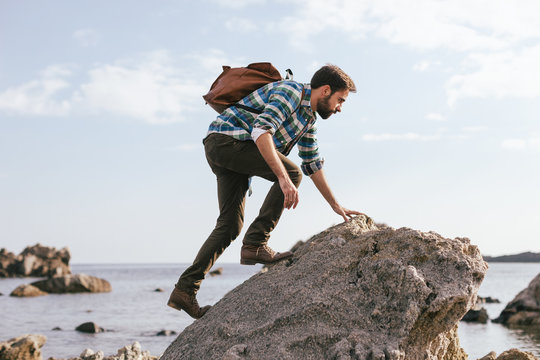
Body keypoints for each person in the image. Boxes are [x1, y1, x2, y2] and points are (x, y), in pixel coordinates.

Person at [168, 64, 363, 319]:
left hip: (226, 147)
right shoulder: (291, 93)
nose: (340, 108)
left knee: (229, 226)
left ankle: (184, 291)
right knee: (291, 174)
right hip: (225, 141)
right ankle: (257, 243)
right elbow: (261, 131)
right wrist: (283, 178)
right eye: (340, 100)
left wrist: (336, 206)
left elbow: (312, 163)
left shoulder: (309, 119)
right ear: (325, 90)